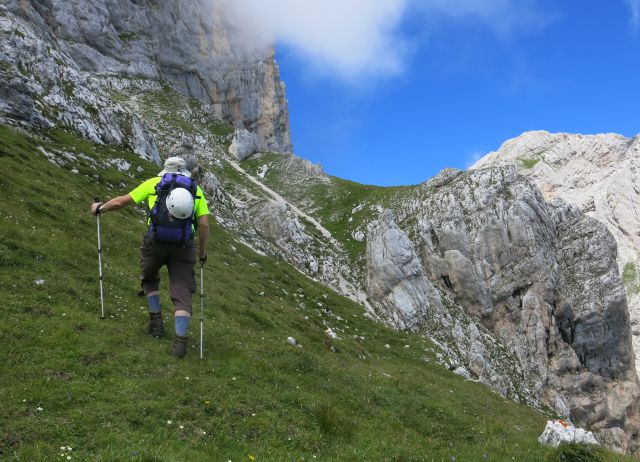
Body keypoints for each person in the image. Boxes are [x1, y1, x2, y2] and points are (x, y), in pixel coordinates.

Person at [91, 156, 210, 358]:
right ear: (184, 173)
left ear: (165, 170)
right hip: (183, 246)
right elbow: (204, 224)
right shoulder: (195, 190)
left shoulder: (154, 183)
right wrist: (202, 252)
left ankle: (156, 324)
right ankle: (180, 343)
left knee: (149, 277)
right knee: (182, 289)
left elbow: (121, 202)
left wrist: (100, 208)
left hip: (154, 243)